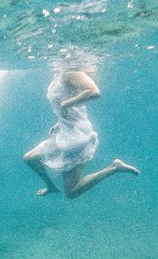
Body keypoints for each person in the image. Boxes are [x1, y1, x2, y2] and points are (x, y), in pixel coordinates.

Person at [24, 57, 139, 199]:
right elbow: (66, 105)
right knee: (29, 158)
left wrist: (67, 104)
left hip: (76, 136)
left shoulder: (70, 72)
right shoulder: (58, 73)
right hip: (65, 130)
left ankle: (114, 168)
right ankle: (51, 186)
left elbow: (94, 92)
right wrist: (59, 123)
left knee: (72, 192)